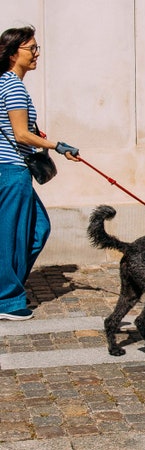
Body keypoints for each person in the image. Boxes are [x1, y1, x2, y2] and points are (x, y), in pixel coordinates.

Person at [0, 27, 80, 321]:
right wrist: (57, 145)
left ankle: (9, 286)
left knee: (38, 229)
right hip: (11, 171)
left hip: (9, 170)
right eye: (30, 49)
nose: (36, 54)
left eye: (36, 48)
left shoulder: (5, 84)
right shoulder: (13, 86)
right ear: (12, 54)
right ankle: (6, 300)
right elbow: (20, 134)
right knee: (11, 236)